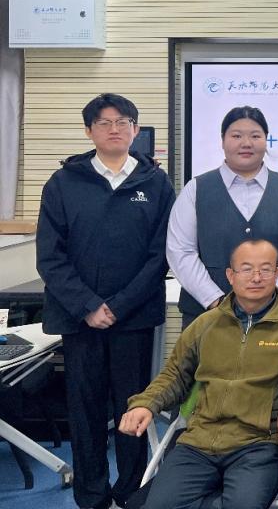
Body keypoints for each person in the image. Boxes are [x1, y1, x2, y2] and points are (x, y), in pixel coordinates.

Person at [35, 93, 175, 509]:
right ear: (89, 131)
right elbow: (50, 256)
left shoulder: (156, 183)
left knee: (135, 406)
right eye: (104, 123)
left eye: (123, 122)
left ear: (135, 129)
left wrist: (120, 305)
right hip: (81, 320)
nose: (114, 129)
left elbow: (161, 254)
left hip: (134, 319)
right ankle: (92, 494)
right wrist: (89, 306)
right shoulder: (63, 183)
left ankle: (131, 491)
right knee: (85, 410)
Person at [118, 239, 278, 509]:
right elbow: (175, 375)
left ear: (277, 273)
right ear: (230, 275)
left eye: (265, 269)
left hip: (260, 444)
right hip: (199, 441)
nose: (256, 277)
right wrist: (145, 404)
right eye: (246, 269)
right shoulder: (205, 324)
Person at [166, 105, 278, 328]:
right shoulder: (196, 189)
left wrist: (273, 296)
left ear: (266, 140)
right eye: (236, 136)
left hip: (275, 317)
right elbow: (181, 250)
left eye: (255, 136)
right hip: (207, 317)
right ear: (222, 140)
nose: (246, 143)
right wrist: (216, 301)